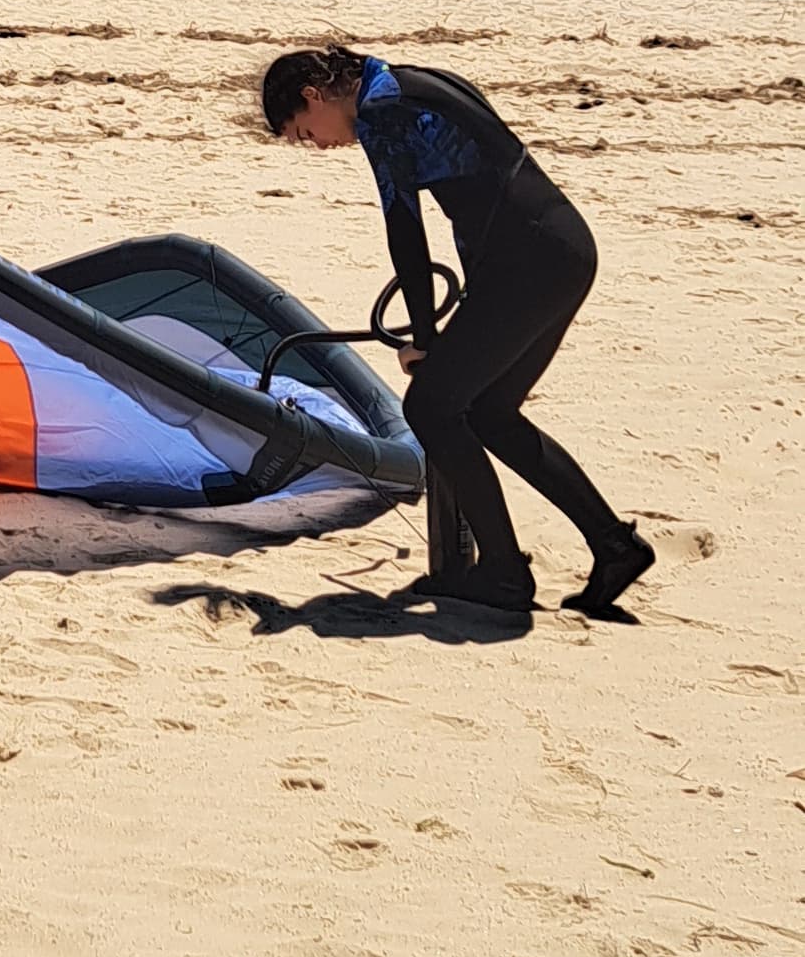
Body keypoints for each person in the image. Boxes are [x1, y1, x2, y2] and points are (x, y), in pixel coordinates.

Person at [258, 42, 651, 621]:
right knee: (489, 412)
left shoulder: (380, 111)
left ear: (314, 97)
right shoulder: (408, 77)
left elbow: (405, 231)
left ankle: (503, 572)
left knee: (433, 409)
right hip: (561, 247)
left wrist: (425, 335)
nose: (316, 144)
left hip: (528, 265)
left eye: (302, 132)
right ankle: (613, 546)